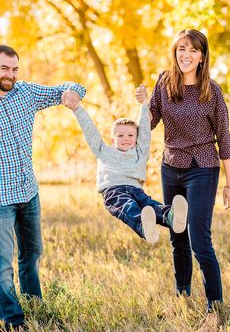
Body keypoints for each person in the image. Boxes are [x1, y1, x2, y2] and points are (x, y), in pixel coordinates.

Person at [147, 29, 230, 314]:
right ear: (175, 51)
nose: (186, 55)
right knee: (177, 233)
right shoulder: (164, 82)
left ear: (202, 56)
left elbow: (224, 138)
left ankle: (215, 305)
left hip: (202, 168)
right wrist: (138, 108)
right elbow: (149, 121)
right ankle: (182, 293)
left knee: (199, 237)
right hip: (170, 166)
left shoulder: (212, 91)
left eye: (193, 50)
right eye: (182, 48)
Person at [0, 45, 85, 330]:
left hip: (29, 192)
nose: (10, 75)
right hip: (1, 198)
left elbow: (69, 87)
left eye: (14, 69)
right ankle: (13, 320)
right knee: (2, 267)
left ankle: (35, 305)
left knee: (32, 255)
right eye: (4, 69)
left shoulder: (25, 93)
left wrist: (73, 93)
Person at [64, 85, 188, 244]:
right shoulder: (103, 150)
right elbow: (90, 131)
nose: (126, 138)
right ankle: (144, 227)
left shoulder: (140, 151)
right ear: (112, 139)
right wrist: (77, 109)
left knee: (149, 205)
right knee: (128, 206)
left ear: (136, 138)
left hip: (136, 189)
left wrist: (144, 104)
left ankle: (170, 216)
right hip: (113, 191)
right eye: (120, 135)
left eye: (130, 135)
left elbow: (144, 130)